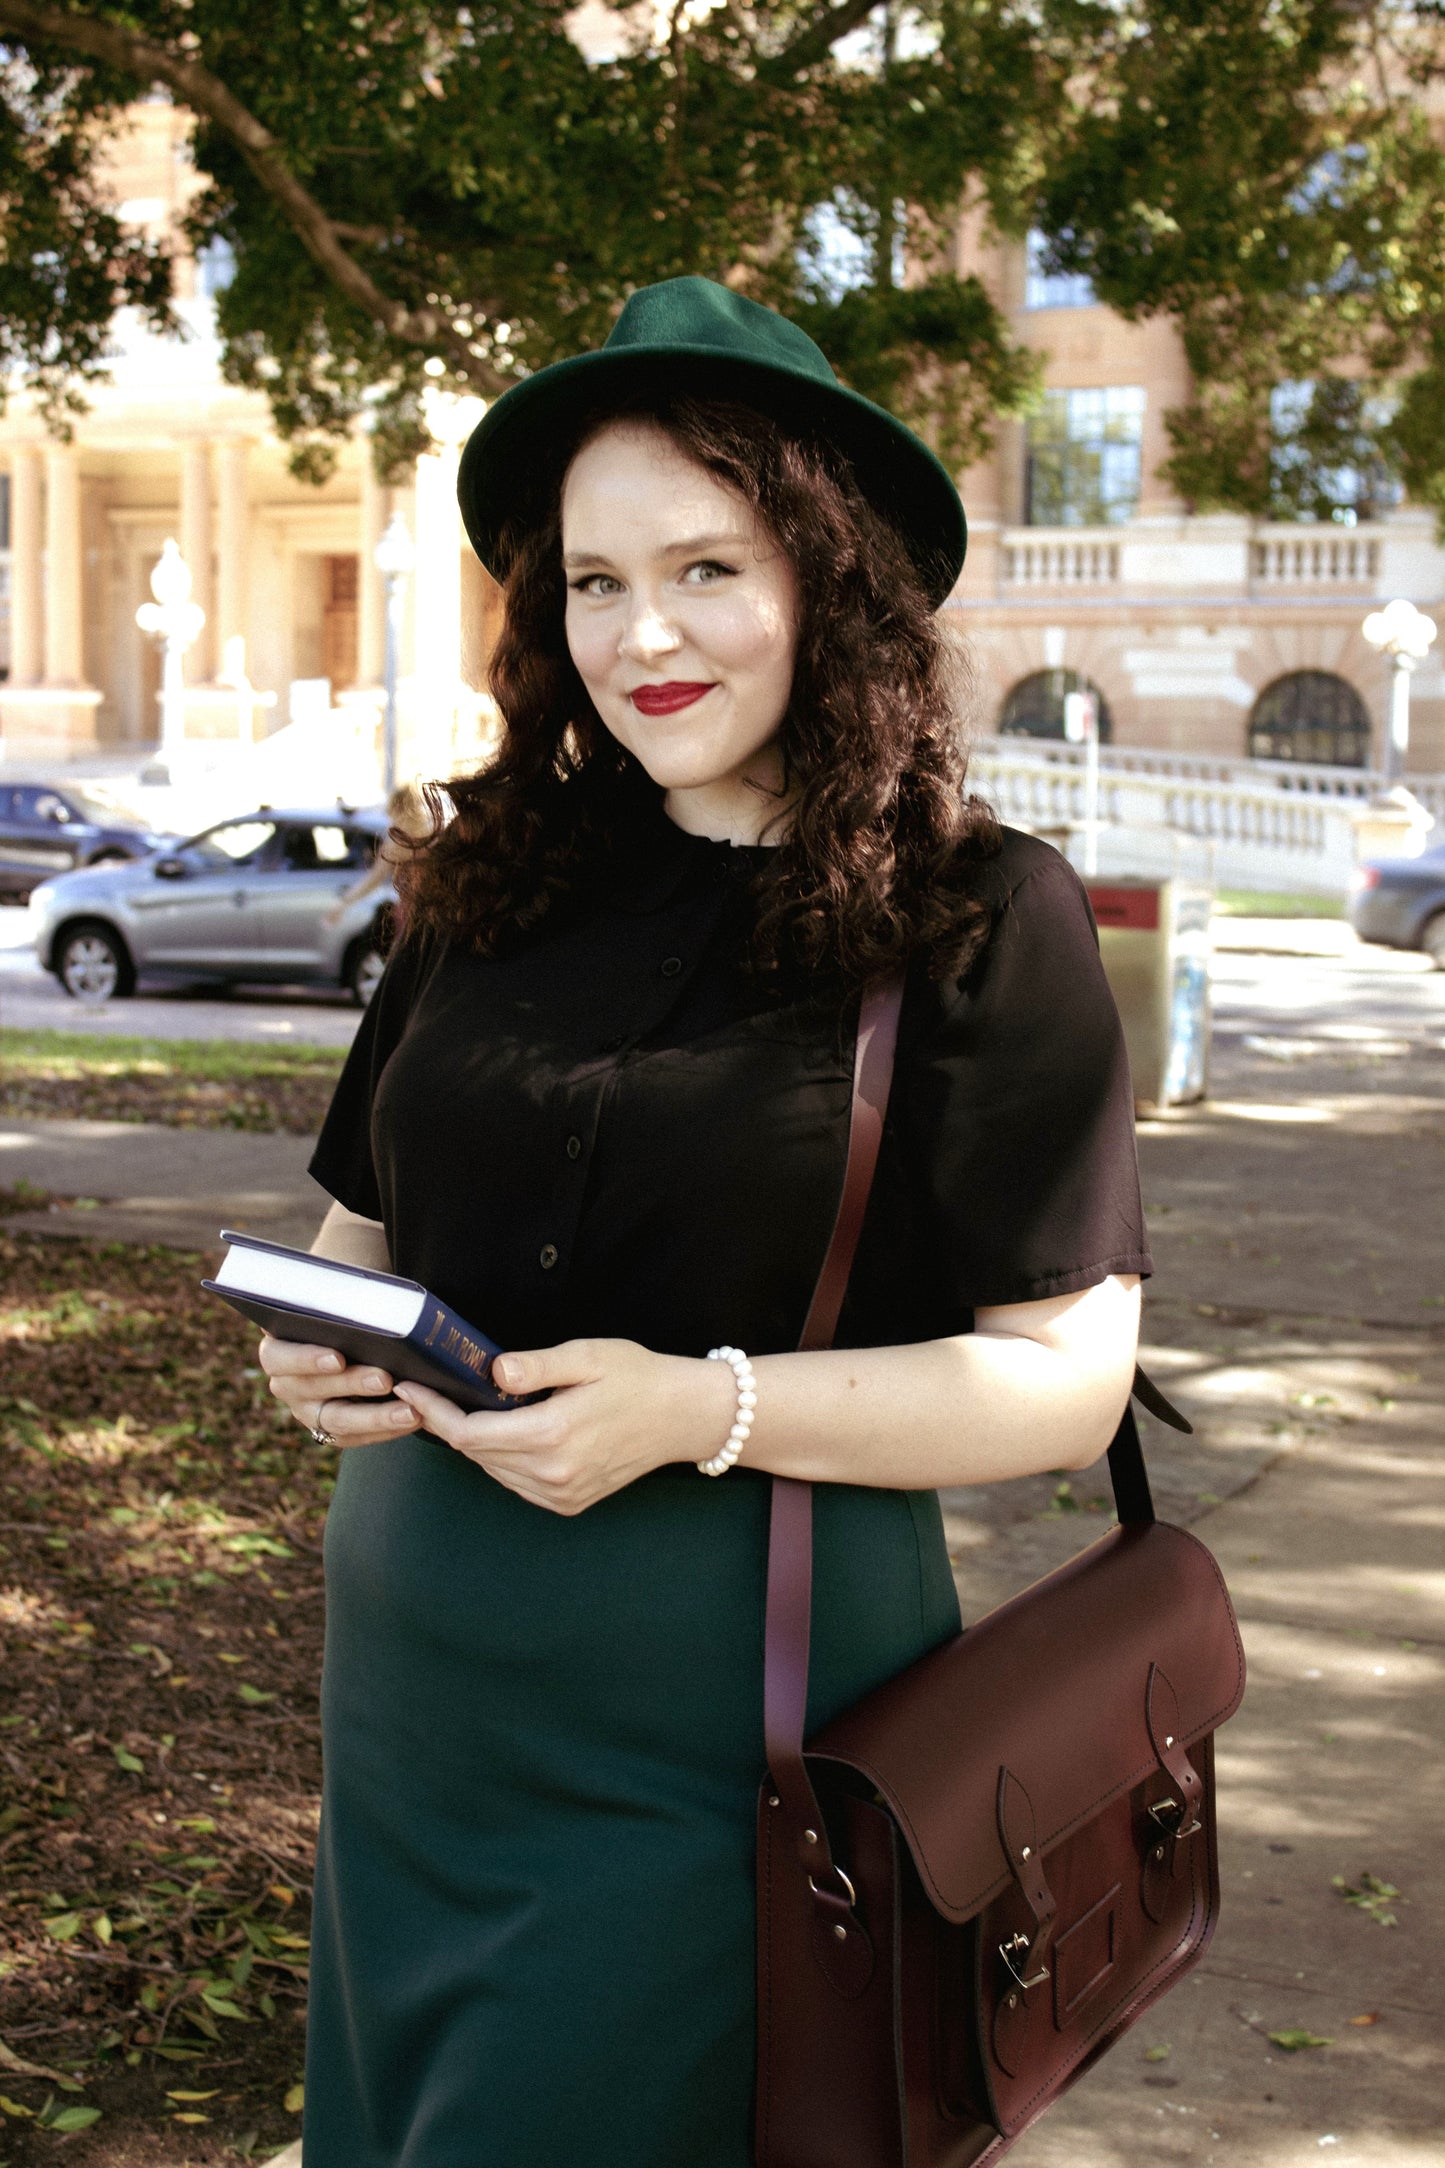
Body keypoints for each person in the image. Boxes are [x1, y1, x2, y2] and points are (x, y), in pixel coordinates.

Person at [259, 276, 1151, 2168]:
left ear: (831, 578)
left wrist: (702, 1406)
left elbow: (1063, 1383)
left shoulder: (987, 916)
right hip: (415, 1727)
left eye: (706, 569)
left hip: (729, 1751)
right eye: (591, 582)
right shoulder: (482, 887)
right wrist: (326, 1329)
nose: (640, 634)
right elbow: (360, 1229)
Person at [321, 780, 428, 928]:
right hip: (434, 909)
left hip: (413, 912)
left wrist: (343, 903)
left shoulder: (398, 842)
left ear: (395, 809)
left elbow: (373, 879)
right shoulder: (431, 833)